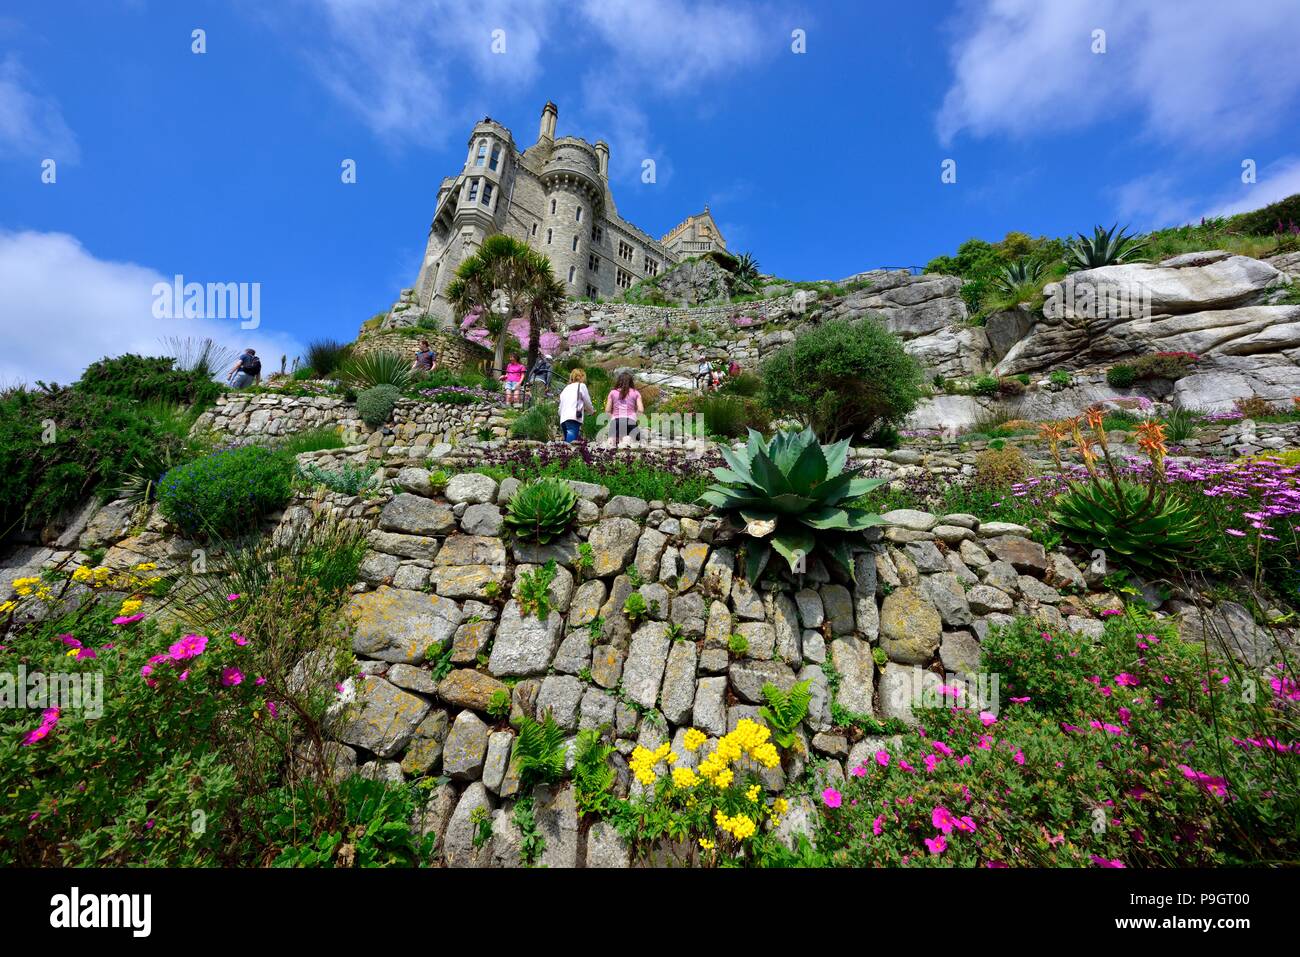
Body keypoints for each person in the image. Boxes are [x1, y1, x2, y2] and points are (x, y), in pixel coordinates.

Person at [605, 371, 643, 447]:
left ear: (619, 381)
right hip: (631, 421)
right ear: (631, 382)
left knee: (612, 440)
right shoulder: (636, 393)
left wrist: (612, 418)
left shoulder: (612, 393)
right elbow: (640, 410)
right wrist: (635, 417)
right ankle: (626, 439)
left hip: (616, 421)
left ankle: (614, 440)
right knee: (636, 439)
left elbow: (607, 410)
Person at [557, 368, 594, 443]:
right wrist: (591, 411)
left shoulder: (566, 388)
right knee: (571, 443)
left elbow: (561, 406)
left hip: (563, 418)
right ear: (582, 377)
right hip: (573, 417)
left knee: (566, 442)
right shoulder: (581, 386)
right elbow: (587, 402)